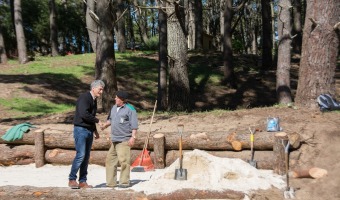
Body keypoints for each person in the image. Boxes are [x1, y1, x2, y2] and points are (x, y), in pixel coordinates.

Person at [68, 80, 105, 189]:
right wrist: (98, 121)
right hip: (80, 130)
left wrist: (95, 131)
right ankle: (71, 179)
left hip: (88, 130)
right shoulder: (84, 97)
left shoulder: (94, 100)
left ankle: (83, 181)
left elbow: (90, 117)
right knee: (81, 155)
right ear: (93, 88)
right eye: (100, 89)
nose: (101, 92)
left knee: (86, 157)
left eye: (102, 89)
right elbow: (84, 114)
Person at [100, 91, 138, 188]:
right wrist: (105, 125)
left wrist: (133, 137)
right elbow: (111, 120)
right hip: (114, 139)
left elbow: (134, 125)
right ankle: (111, 183)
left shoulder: (131, 109)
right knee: (110, 160)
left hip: (124, 139)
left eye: (117, 98)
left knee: (124, 161)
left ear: (122, 99)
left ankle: (124, 182)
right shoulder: (114, 107)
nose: (115, 99)